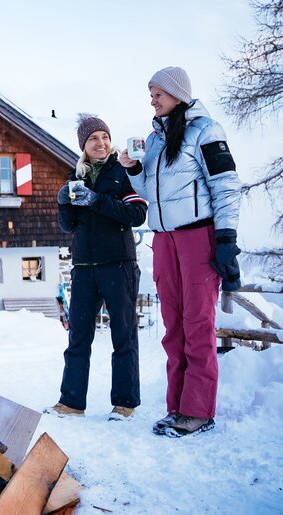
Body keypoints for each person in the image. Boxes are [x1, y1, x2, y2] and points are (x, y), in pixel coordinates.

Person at [119, 66, 242, 437]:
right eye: (150, 93)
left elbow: (226, 186)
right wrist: (134, 168)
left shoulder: (206, 130)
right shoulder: (155, 138)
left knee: (198, 325)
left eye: (157, 93)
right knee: (173, 326)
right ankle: (176, 406)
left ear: (177, 94)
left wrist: (226, 238)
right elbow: (148, 189)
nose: (152, 100)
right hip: (164, 239)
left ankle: (198, 411)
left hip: (197, 237)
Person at [44, 115, 148, 421]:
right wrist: (64, 201)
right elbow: (69, 225)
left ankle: (124, 403)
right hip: (84, 267)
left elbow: (137, 213)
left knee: (123, 335)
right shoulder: (76, 175)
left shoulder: (123, 171)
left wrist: (97, 200)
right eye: (93, 139)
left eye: (104, 136)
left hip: (118, 264)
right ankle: (72, 403)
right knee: (78, 338)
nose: (100, 143)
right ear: (84, 146)